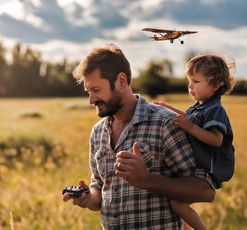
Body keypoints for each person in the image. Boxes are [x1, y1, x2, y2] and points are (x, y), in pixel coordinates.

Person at [62, 44, 216, 230]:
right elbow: (100, 188)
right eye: (89, 92)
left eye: (96, 90)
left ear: (121, 81)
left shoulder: (164, 123)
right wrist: (88, 198)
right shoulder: (97, 133)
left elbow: (205, 190)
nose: (91, 100)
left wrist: (146, 180)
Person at [153, 53, 236, 230]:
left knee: (178, 204)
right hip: (197, 168)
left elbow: (216, 140)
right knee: (173, 202)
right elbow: (188, 118)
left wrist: (190, 128)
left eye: (196, 82)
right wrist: (166, 109)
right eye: (189, 81)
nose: (190, 86)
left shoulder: (215, 109)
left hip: (208, 171)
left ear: (214, 85)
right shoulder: (200, 106)